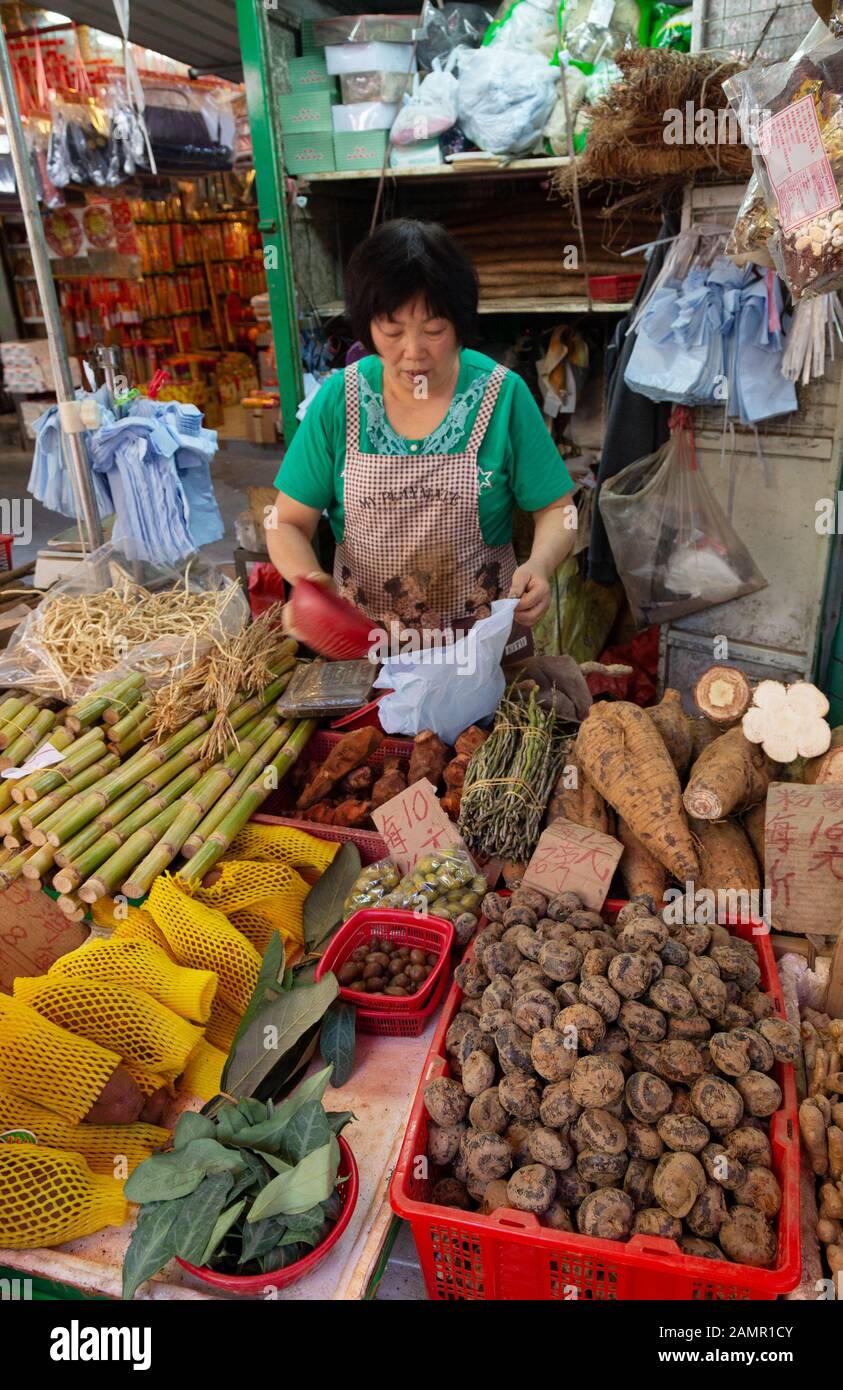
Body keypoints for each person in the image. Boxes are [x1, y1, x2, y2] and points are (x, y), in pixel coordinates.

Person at [266, 218, 576, 634]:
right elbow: (284, 521)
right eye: (392, 330)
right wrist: (312, 582)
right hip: (365, 646)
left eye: (434, 330)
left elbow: (560, 510)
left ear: (461, 323)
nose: (413, 352)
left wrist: (539, 563)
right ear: (367, 326)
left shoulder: (503, 395)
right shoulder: (339, 400)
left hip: (479, 647)